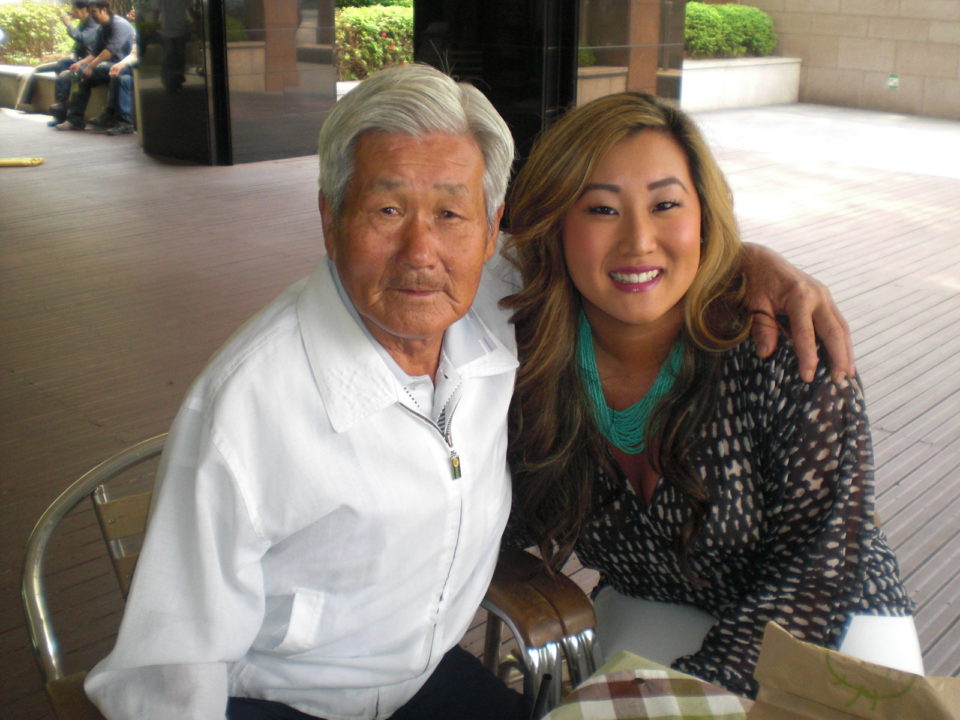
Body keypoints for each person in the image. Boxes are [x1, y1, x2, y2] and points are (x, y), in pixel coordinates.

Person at [84, 65, 852, 719]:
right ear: (328, 218)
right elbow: (164, 671)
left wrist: (745, 260)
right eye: (386, 210)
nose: (421, 251)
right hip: (287, 700)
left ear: (491, 230)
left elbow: (623, 261)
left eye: (451, 213)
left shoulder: (497, 301)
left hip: (423, 683)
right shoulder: (248, 406)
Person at [502, 92, 922, 700]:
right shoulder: (525, 364)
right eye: (601, 210)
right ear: (556, 224)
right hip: (655, 600)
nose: (639, 242)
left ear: (704, 214)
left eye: (666, 204)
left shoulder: (781, 346)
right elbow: (487, 513)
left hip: (831, 610)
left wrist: (698, 697)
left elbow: (821, 562)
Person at [55, 0, 134, 131]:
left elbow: (108, 52)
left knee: (94, 69)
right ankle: (75, 119)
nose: (92, 16)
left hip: (124, 65)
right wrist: (80, 64)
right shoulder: (101, 27)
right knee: (79, 75)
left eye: (94, 12)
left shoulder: (119, 24)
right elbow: (95, 53)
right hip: (108, 66)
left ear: (104, 10)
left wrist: (90, 67)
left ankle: (113, 117)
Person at [17, 1, 98, 124]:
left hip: (90, 61)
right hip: (79, 59)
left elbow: (84, 39)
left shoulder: (93, 22)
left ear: (84, 9)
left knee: (65, 75)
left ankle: (62, 111)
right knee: (59, 65)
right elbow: (78, 45)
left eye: (74, 10)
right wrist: (72, 52)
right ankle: (60, 105)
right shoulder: (84, 23)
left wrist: (69, 25)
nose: (73, 13)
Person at [88, 43, 138, 135]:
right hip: (134, 72)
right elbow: (134, 54)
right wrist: (120, 65)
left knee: (109, 69)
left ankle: (109, 112)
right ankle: (125, 123)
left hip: (147, 72)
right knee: (122, 78)